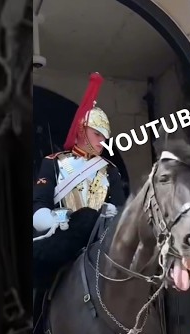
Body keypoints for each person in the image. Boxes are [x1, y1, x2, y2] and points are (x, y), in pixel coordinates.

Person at [32, 71, 126, 301]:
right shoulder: (53, 162)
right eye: (97, 134)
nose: (102, 142)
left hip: (100, 238)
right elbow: (39, 204)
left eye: (105, 137)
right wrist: (53, 220)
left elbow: (122, 208)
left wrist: (115, 214)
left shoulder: (110, 170)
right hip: (62, 235)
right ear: (81, 130)